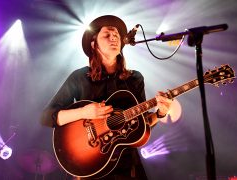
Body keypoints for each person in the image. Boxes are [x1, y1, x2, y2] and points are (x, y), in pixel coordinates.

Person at [41, 15, 172, 180]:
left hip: (127, 168)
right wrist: (84, 113)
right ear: (94, 44)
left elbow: (141, 126)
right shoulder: (80, 77)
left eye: (116, 35)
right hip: (90, 169)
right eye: (107, 35)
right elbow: (46, 117)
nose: (114, 38)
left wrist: (160, 114)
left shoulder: (135, 78)